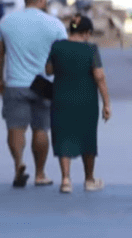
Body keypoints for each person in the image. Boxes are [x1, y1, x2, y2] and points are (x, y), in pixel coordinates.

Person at [0, 0, 67, 189]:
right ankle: (40, 173)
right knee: (41, 129)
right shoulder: (55, 25)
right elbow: (61, 56)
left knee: (15, 128)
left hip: (15, 83)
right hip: (44, 85)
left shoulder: (5, 22)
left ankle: (19, 164)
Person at [45, 16, 112, 194]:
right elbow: (100, 76)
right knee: (87, 138)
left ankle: (66, 180)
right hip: (86, 101)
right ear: (87, 33)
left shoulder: (57, 46)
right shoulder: (91, 49)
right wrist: (106, 103)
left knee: (63, 137)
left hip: (61, 99)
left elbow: (48, 70)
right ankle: (89, 179)